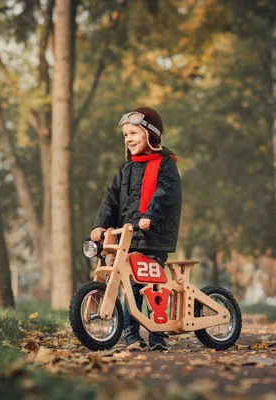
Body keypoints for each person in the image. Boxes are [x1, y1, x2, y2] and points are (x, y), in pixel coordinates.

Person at [90, 106, 182, 351]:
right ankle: (131, 333)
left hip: (154, 236)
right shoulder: (126, 169)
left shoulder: (165, 164)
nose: (128, 139)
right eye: (125, 135)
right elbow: (111, 198)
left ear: (151, 136)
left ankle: (158, 333)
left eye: (133, 133)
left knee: (152, 286)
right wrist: (101, 224)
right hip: (129, 238)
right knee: (130, 287)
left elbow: (166, 195)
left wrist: (149, 215)